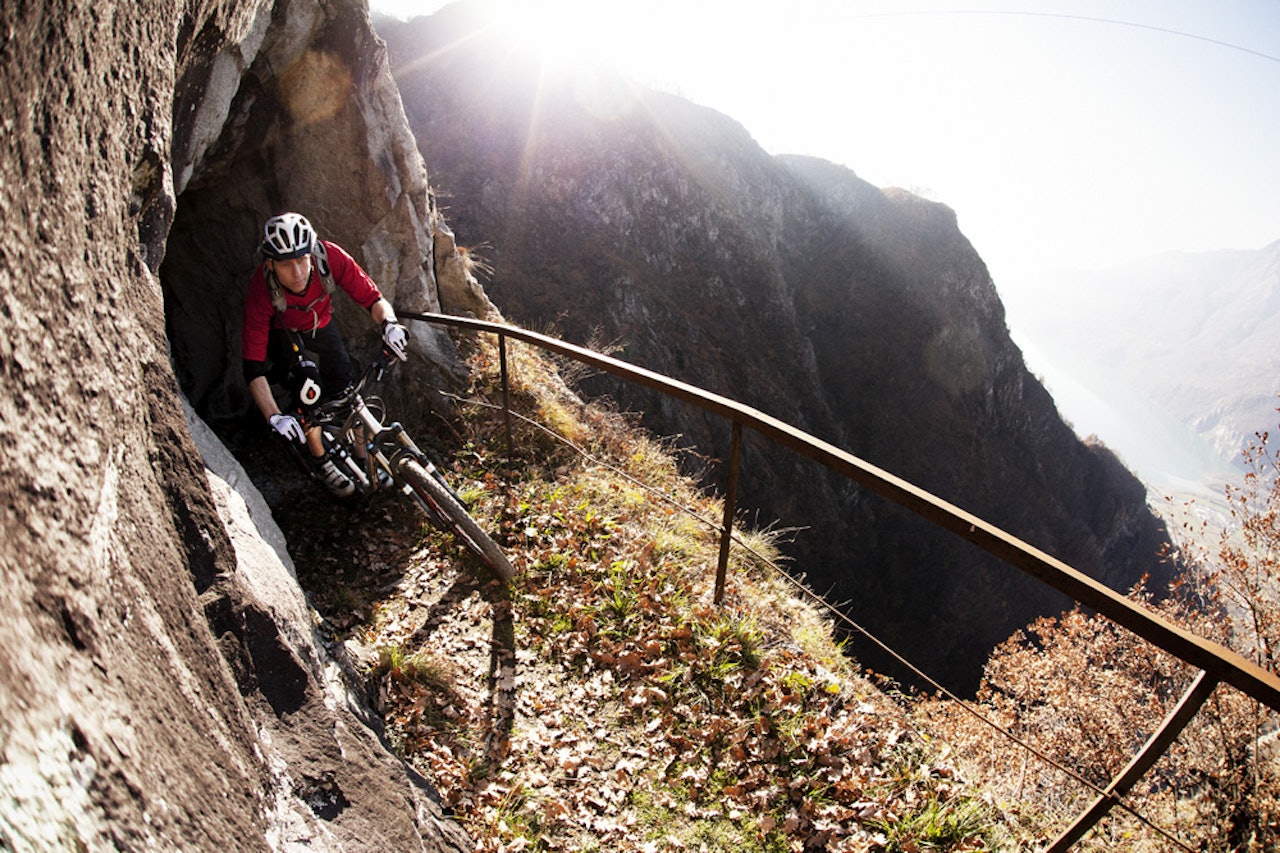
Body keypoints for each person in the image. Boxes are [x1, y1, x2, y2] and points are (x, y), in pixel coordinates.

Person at [242, 212, 408, 496]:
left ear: (311, 253)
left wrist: (389, 324)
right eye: (286, 264)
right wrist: (274, 417)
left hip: (322, 323)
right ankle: (322, 462)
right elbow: (253, 365)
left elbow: (372, 297)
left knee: (347, 388)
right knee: (309, 392)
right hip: (285, 334)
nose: (297, 272)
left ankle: (363, 454)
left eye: (302, 260)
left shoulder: (329, 257)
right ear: (271, 264)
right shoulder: (261, 289)